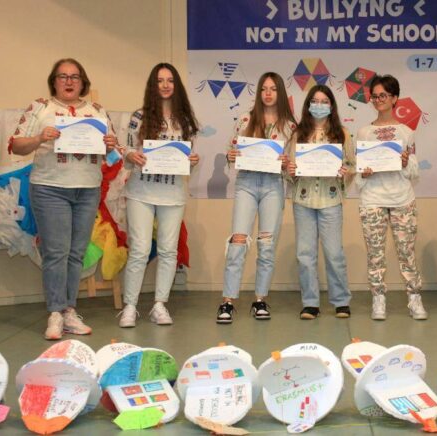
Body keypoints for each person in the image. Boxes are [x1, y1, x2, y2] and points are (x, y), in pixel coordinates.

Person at [10, 58, 118, 339]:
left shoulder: (97, 111)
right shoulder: (40, 108)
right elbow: (16, 145)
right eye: (62, 76)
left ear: (83, 82)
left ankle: (69, 310)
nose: (69, 82)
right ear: (54, 81)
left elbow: (113, 153)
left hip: (87, 189)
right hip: (50, 188)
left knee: (76, 253)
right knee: (56, 252)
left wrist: (110, 145)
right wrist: (39, 138)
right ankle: (56, 313)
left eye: (74, 77)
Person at [118, 63, 200, 328]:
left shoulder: (185, 120)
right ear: (153, 86)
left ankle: (159, 305)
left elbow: (186, 159)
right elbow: (126, 150)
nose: (165, 85)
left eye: (170, 80)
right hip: (141, 192)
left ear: (177, 85)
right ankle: (130, 306)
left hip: (173, 194)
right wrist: (131, 155)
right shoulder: (139, 116)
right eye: (160, 81)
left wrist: (192, 161)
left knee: (168, 250)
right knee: (139, 249)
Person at [218, 72, 296, 323]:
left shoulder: (290, 126)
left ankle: (260, 299)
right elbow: (231, 150)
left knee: (267, 244)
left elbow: (293, 163)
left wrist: (286, 163)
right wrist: (231, 156)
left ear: (280, 92)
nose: (268, 93)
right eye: (264, 88)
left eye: (273, 88)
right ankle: (227, 301)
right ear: (259, 92)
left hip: (273, 186)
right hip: (247, 184)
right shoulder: (245, 119)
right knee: (238, 242)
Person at [355, 74, 427, 321]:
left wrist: (406, 162)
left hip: (402, 199)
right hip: (372, 199)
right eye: (374, 96)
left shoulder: (406, 132)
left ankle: (414, 297)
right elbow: (359, 171)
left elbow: (414, 171)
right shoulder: (363, 132)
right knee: (375, 253)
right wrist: (363, 173)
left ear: (395, 98)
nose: (378, 100)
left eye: (383, 95)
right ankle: (378, 298)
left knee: (407, 252)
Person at [286, 85, 354, 319]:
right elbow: (289, 167)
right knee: (305, 254)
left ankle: (341, 301)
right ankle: (310, 303)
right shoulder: (298, 134)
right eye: (315, 101)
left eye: (324, 101)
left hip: (331, 200)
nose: (319, 105)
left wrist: (345, 172)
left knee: (334, 253)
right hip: (303, 200)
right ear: (308, 105)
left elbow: (352, 165)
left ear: (332, 106)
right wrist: (290, 171)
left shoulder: (342, 133)